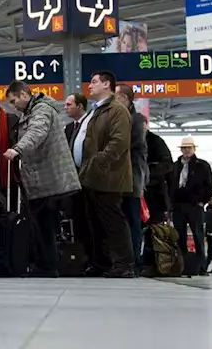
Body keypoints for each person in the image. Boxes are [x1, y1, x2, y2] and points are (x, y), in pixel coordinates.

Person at [4, 81, 81, 277]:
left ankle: (47, 266)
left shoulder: (41, 110)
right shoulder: (34, 111)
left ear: (23, 94)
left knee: (44, 225)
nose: (14, 106)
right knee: (42, 224)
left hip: (49, 180)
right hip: (46, 180)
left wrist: (17, 149)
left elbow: (37, 132)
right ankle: (45, 264)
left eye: (14, 101)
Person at [74, 70, 135, 278]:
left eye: (93, 82)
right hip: (92, 176)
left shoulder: (116, 110)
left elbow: (118, 143)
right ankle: (101, 262)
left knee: (113, 222)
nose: (89, 86)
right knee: (96, 223)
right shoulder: (97, 111)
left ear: (107, 84)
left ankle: (124, 264)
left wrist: (97, 162)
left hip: (108, 176)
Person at [171, 137, 212, 277]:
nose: (186, 150)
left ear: (193, 149)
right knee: (180, 237)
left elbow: (211, 186)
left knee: (198, 235)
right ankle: (183, 266)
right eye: (184, 148)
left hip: (194, 206)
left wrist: (201, 201)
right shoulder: (175, 166)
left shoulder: (202, 165)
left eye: (188, 148)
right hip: (178, 205)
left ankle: (202, 267)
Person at [115, 85, 148, 270]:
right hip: (119, 180)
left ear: (126, 99)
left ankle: (134, 260)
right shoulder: (122, 118)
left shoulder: (137, 120)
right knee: (122, 221)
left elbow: (129, 145)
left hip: (132, 180)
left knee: (133, 221)